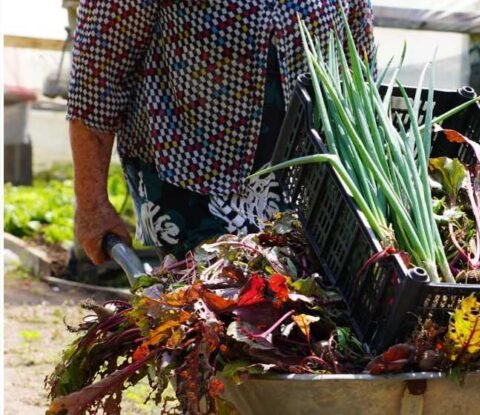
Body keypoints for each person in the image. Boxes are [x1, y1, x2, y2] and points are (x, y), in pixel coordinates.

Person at [68, 0, 374, 264]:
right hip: (189, 178)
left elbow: (360, 69)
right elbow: (97, 77)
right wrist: (92, 205)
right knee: (219, 309)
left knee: (307, 311)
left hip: (304, 177)